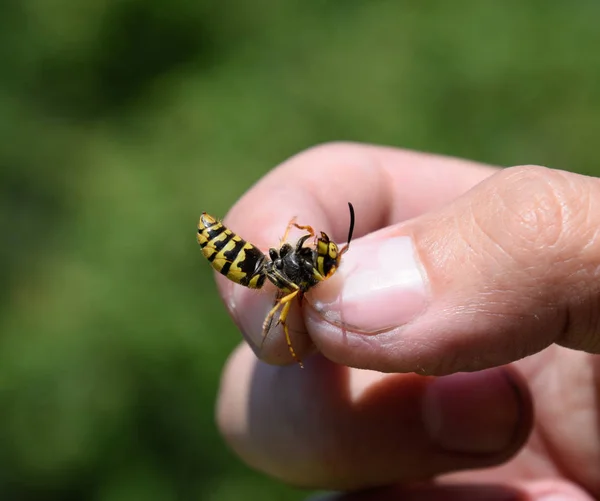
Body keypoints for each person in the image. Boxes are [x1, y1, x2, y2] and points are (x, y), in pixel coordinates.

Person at [214, 143, 600, 501]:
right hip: (251, 265)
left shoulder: (306, 269)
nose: (335, 260)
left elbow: (301, 242)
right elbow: (292, 264)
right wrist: (285, 339)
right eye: (330, 257)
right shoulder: (296, 281)